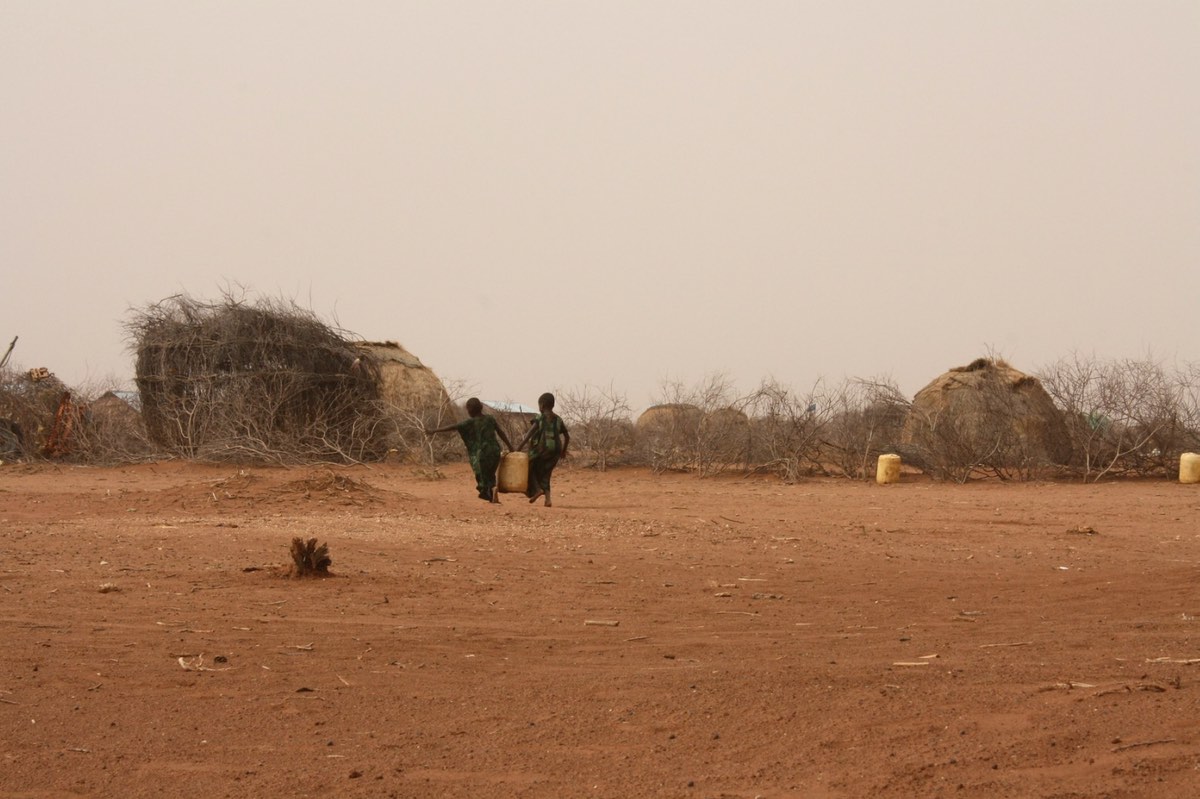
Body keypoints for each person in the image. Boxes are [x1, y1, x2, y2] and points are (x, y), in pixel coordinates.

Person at [425, 398, 513, 503]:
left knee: (481, 473)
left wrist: (433, 431)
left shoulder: (471, 422)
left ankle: (487, 492)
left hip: (483, 452)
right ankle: (492, 493)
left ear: (470, 409)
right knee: (490, 473)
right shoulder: (490, 419)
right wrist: (510, 447)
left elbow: (454, 427)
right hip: (495, 450)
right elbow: (501, 432)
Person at [517, 392, 569, 507]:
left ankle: (537, 489)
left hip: (542, 449)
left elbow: (530, 433)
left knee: (529, 467)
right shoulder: (558, 419)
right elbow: (567, 436)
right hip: (556, 450)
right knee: (546, 473)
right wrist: (564, 451)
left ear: (542, 405)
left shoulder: (540, 418)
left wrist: (518, 448)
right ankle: (548, 500)